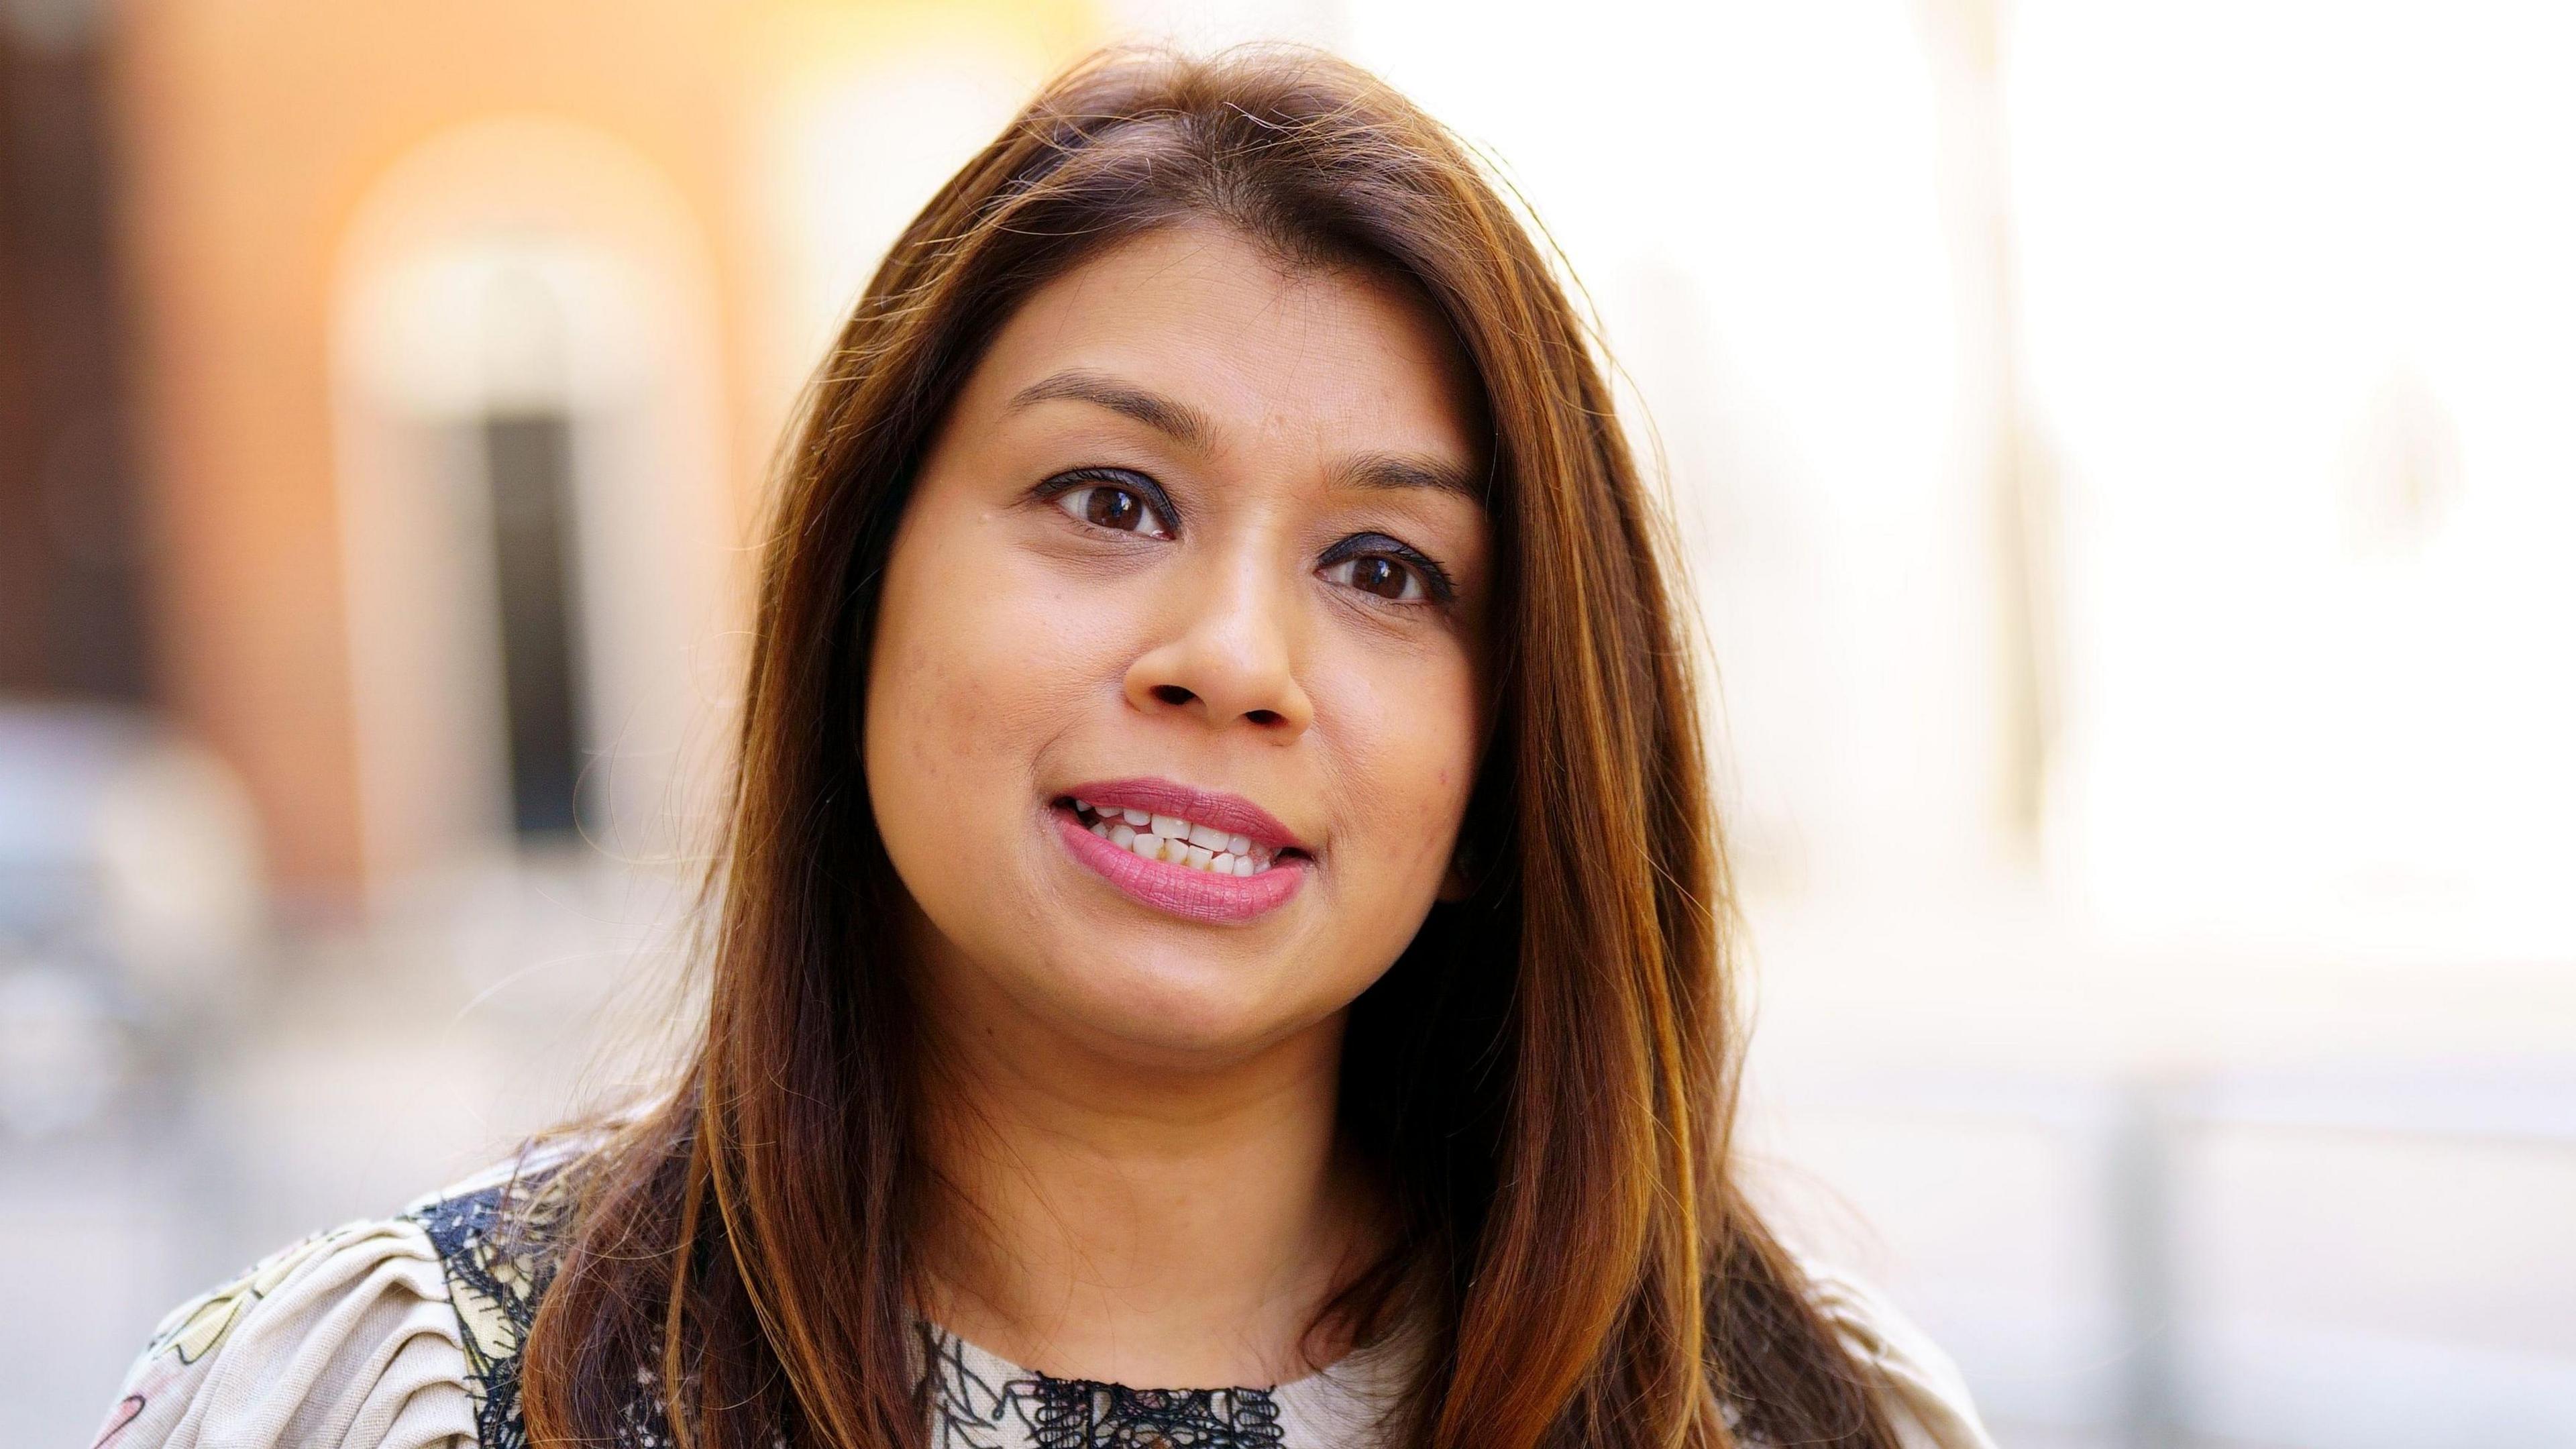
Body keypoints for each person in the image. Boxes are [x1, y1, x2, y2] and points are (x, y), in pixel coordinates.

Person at [93, 44, 1996, 1449]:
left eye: (1386, 567)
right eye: (1108, 497)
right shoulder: (408, 1400)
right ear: (863, 591)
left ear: (1512, 763)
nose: (1237, 658)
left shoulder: (1793, 1416)